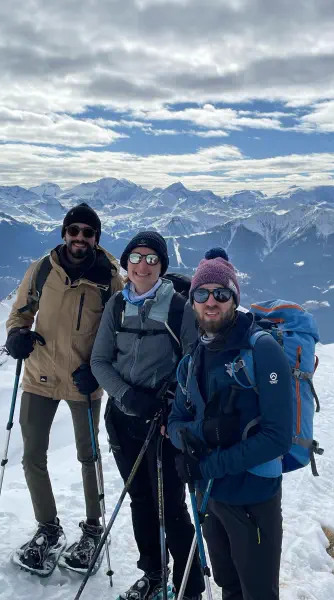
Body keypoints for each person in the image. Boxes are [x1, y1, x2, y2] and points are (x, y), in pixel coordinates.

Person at [4, 203, 123, 576]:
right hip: (39, 375)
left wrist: (100, 371)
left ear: (96, 238)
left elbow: (118, 332)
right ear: (64, 234)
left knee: (88, 456)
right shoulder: (42, 269)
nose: (80, 238)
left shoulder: (109, 278)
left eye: (88, 233)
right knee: (32, 456)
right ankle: (48, 528)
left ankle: (93, 529)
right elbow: (21, 311)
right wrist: (16, 335)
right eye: (74, 231)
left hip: (82, 379)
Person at [167, 248, 292, 600]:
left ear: (234, 299)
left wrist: (207, 465)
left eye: (221, 294)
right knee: (228, 585)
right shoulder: (194, 357)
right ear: (192, 301)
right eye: (202, 294)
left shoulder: (262, 351)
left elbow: (278, 437)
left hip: (253, 497)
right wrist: (197, 435)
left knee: (258, 592)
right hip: (210, 496)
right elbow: (175, 421)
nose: (211, 302)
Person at [90, 231, 204, 600]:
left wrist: (172, 406)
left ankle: (188, 588)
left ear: (161, 265)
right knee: (140, 500)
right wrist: (126, 396)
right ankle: (153, 576)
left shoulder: (178, 308)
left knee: (171, 507)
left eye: (151, 259)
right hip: (123, 421)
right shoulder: (117, 305)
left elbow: (193, 365)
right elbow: (99, 361)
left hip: (163, 425)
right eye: (136, 258)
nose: (143, 265)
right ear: (126, 263)